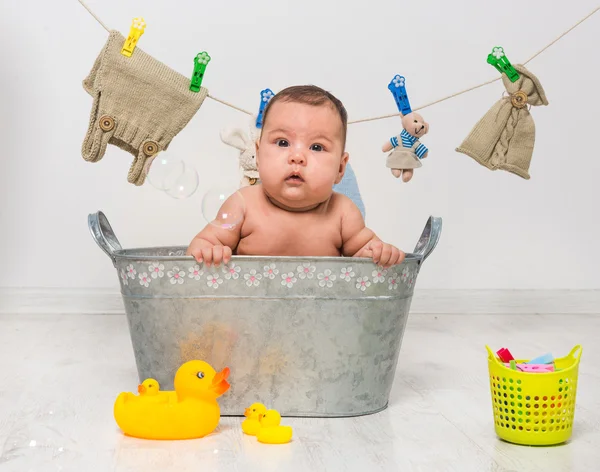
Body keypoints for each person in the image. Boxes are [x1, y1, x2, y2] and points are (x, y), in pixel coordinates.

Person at [187, 85, 405, 268]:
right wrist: (208, 251)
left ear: (340, 169)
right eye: (283, 143)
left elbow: (364, 261)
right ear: (259, 155)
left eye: (317, 147)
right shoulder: (243, 204)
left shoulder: (342, 213)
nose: (297, 157)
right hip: (248, 312)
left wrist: (378, 253)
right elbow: (201, 244)